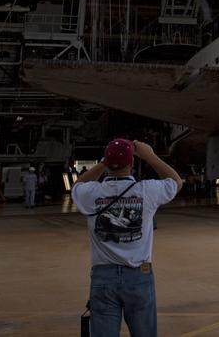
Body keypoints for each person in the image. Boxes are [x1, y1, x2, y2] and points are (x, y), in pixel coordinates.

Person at [72, 138, 182, 337]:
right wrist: (149, 155)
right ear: (131, 164)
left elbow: (77, 185)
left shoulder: (91, 193)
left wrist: (104, 162)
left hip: (103, 276)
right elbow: (176, 182)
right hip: (139, 275)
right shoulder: (147, 190)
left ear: (106, 163)